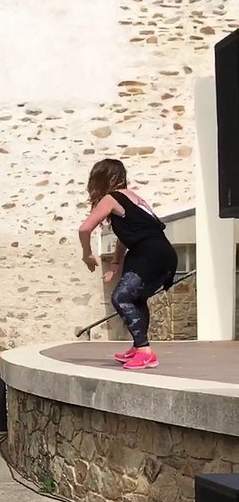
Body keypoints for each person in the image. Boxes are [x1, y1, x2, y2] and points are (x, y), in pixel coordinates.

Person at [78, 158, 177, 370]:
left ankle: (144, 351)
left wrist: (87, 254)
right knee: (138, 298)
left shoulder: (111, 198)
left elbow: (85, 229)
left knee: (120, 297)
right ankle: (137, 347)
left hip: (148, 254)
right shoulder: (135, 199)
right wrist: (115, 264)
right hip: (164, 253)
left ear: (102, 179)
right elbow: (128, 233)